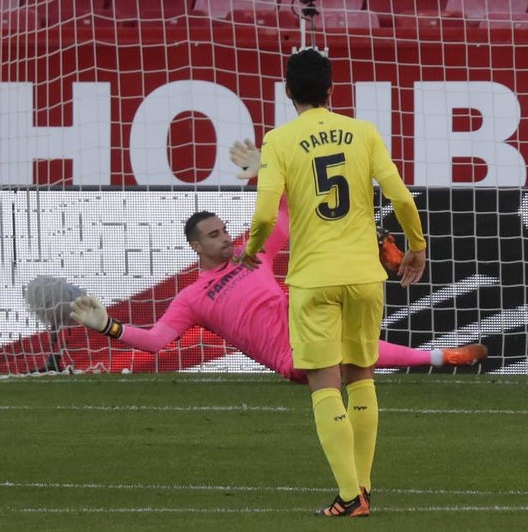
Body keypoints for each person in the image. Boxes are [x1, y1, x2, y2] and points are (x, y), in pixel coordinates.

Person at [68, 143, 485, 385]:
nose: (226, 238)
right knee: (348, 354)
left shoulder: (253, 253)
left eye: (224, 230)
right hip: (293, 357)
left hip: (313, 321)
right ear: (196, 248)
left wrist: (261, 170)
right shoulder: (193, 297)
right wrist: (110, 326)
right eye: (214, 236)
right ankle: (432, 357)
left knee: (332, 282)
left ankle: (438, 356)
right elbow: (158, 340)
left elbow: (286, 209)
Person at [240, 48, 426, 517]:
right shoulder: (362, 133)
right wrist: (416, 246)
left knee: (324, 384)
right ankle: (363, 485)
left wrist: (250, 251)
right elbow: (400, 196)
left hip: (314, 279)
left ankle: (349, 495)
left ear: (287, 92)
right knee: (361, 374)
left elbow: (264, 213)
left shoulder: (279, 141)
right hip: (365, 275)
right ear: (331, 91)